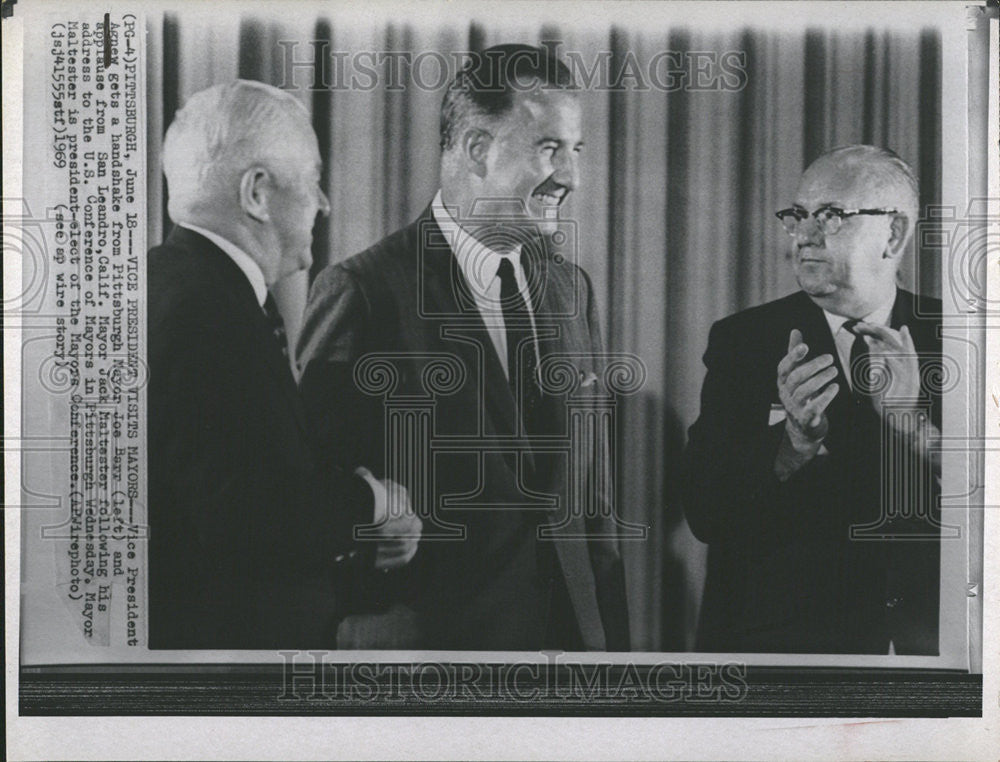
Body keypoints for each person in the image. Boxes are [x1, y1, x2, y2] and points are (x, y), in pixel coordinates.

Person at [297, 45, 630, 651]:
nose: (573, 177)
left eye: (575, 151)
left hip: (570, 652)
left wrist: (609, 648)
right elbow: (310, 493)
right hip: (425, 658)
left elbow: (593, 505)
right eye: (550, 149)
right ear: (478, 149)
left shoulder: (570, 289)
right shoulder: (364, 292)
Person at [148, 80, 421, 649]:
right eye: (315, 179)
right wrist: (374, 502)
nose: (324, 203)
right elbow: (241, 517)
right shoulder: (207, 311)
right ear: (257, 193)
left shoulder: (173, 285)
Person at [682, 145, 942, 654]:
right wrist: (792, 446)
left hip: (935, 647)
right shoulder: (746, 341)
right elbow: (705, 512)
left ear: (893, 234)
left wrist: (914, 428)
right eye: (798, 216)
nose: (804, 236)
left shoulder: (962, 336)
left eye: (831, 216)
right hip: (792, 653)